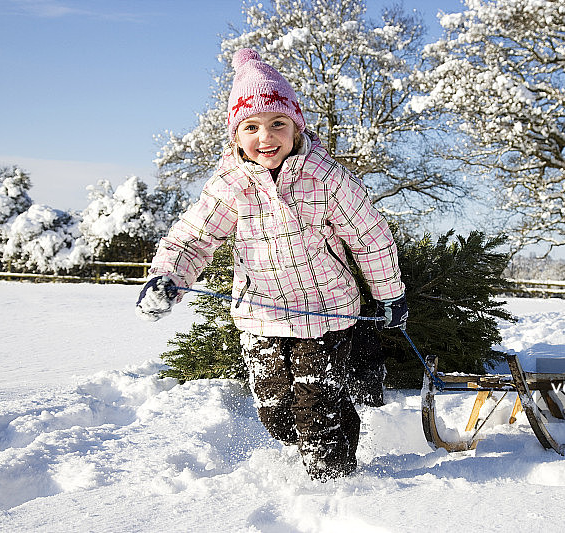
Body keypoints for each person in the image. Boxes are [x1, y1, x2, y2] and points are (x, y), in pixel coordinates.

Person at [135, 48, 407, 481]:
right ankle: (314, 436)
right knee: (277, 413)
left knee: (318, 408)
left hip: (326, 315)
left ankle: (335, 482)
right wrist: (167, 276)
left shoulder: (325, 177)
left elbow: (370, 237)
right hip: (260, 317)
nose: (266, 137)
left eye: (278, 124)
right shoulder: (230, 184)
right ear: (235, 136)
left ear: (296, 126)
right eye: (251, 127)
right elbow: (194, 237)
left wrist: (389, 294)